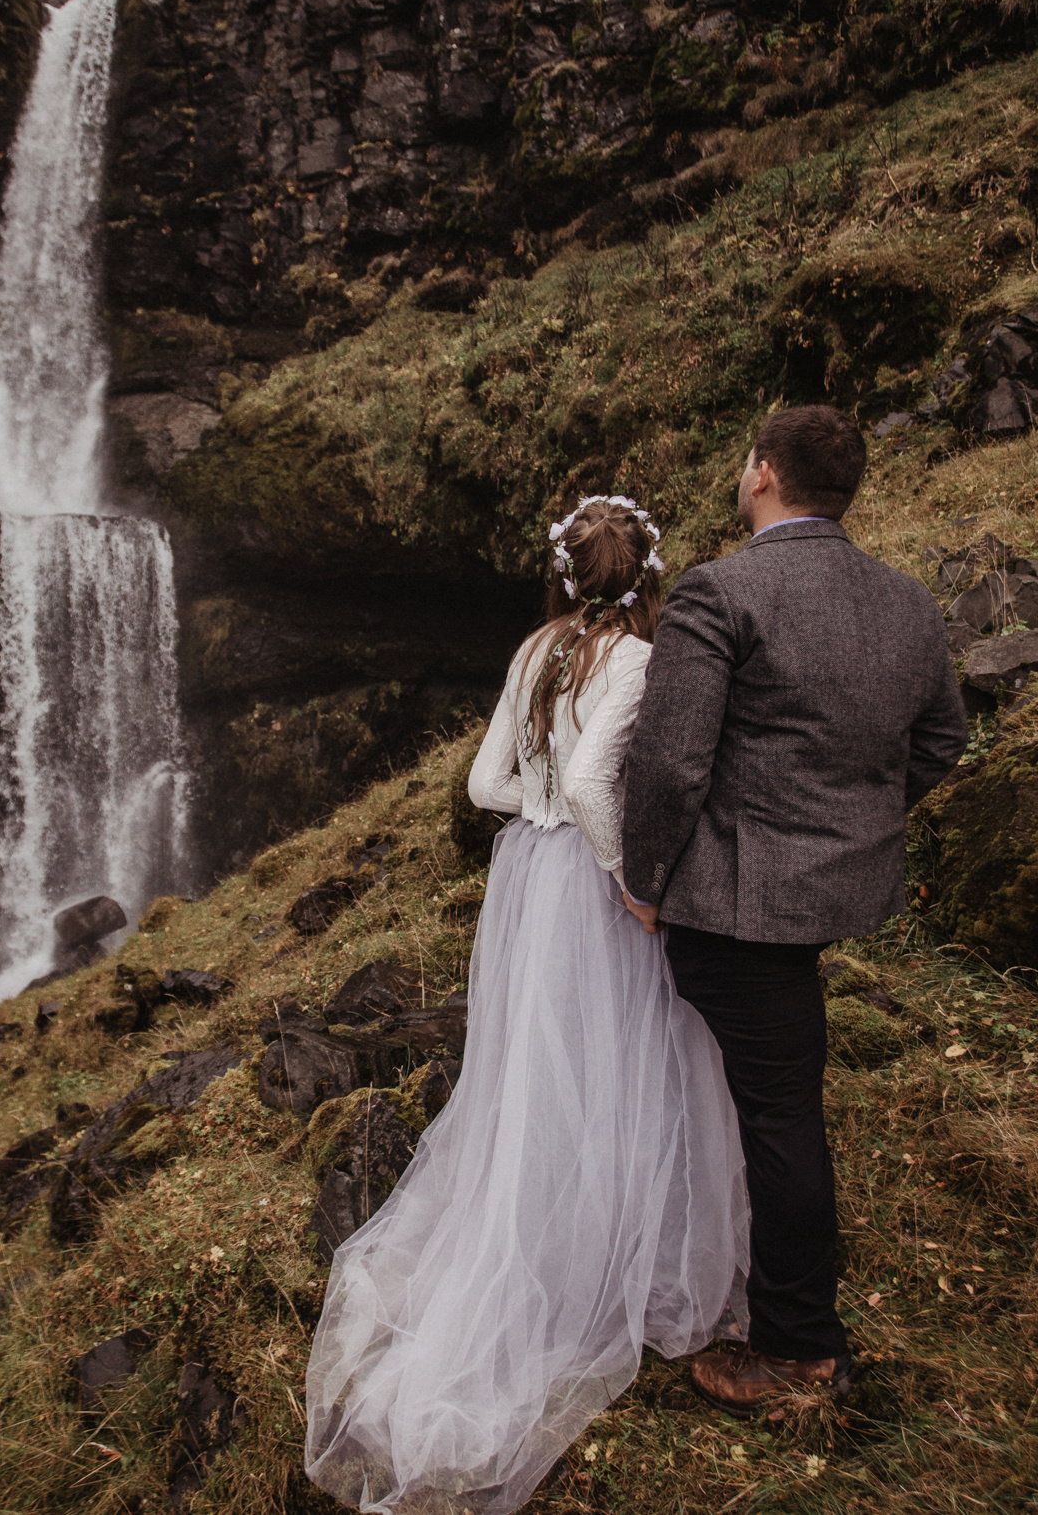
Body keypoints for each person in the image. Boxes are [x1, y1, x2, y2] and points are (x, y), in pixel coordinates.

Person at [304, 494, 750, 1515]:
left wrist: (536, 814)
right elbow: (598, 777)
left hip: (527, 883)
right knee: (629, 1054)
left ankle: (557, 1224)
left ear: (564, 574)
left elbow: (480, 783)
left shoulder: (533, 649)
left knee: (540, 1063)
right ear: (647, 575)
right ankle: (618, 1248)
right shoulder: (636, 660)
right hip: (593, 885)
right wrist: (625, 868)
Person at [620, 403, 968, 1416]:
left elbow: (670, 763)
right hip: (828, 891)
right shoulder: (905, 600)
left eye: (744, 459)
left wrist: (644, 880)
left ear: (764, 472)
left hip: (734, 905)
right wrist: (849, 825)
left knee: (779, 1113)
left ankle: (797, 1341)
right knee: (771, 1096)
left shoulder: (720, 589)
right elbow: (939, 739)